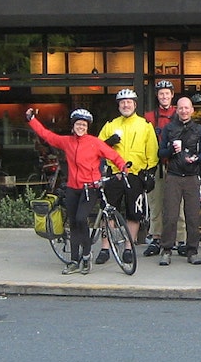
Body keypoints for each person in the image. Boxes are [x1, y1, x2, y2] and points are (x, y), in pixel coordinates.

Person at [26, 108, 128, 275]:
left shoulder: (95, 142)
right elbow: (47, 136)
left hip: (91, 188)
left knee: (81, 219)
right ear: (73, 126)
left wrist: (123, 168)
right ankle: (74, 261)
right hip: (73, 188)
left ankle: (86, 255)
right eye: (78, 124)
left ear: (87, 127)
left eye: (84, 124)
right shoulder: (67, 142)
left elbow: (113, 155)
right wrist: (32, 120)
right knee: (73, 224)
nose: (81, 127)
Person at [97, 88, 159, 266]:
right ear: (119, 105)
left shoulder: (145, 125)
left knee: (134, 213)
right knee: (108, 212)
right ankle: (105, 248)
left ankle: (128, 248)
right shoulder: (110, 125)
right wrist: (108, 143)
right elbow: (96, 146)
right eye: (123, 102)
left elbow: (152, 152)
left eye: (129, 102)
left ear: (135, 105)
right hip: (115, 174)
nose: (126, 105)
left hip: (134, 175)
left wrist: (149, 173)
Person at [157, 96, 201, 266]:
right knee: (170, 216)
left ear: (192, 110)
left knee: (193, 217)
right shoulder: (169, 128)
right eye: (181, 108)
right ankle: (166, 250)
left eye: (187, 108)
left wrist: (196, 158)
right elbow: (161, 153)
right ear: (176, 110)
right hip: (173, 176)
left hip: (192, 177)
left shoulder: (199, 129)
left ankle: (192, 251)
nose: (184, 111)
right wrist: (171, 149)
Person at [143, 80, 179, 257]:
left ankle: (180, 239)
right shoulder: (149, 116)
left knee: (177, 205)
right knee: (155, 203)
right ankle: (156, 237)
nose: (164, 96)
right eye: (161, 93)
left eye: (167, 93)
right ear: (157, 96)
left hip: (176, 165)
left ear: (172, 95)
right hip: (156, 165)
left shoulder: (180, 113)